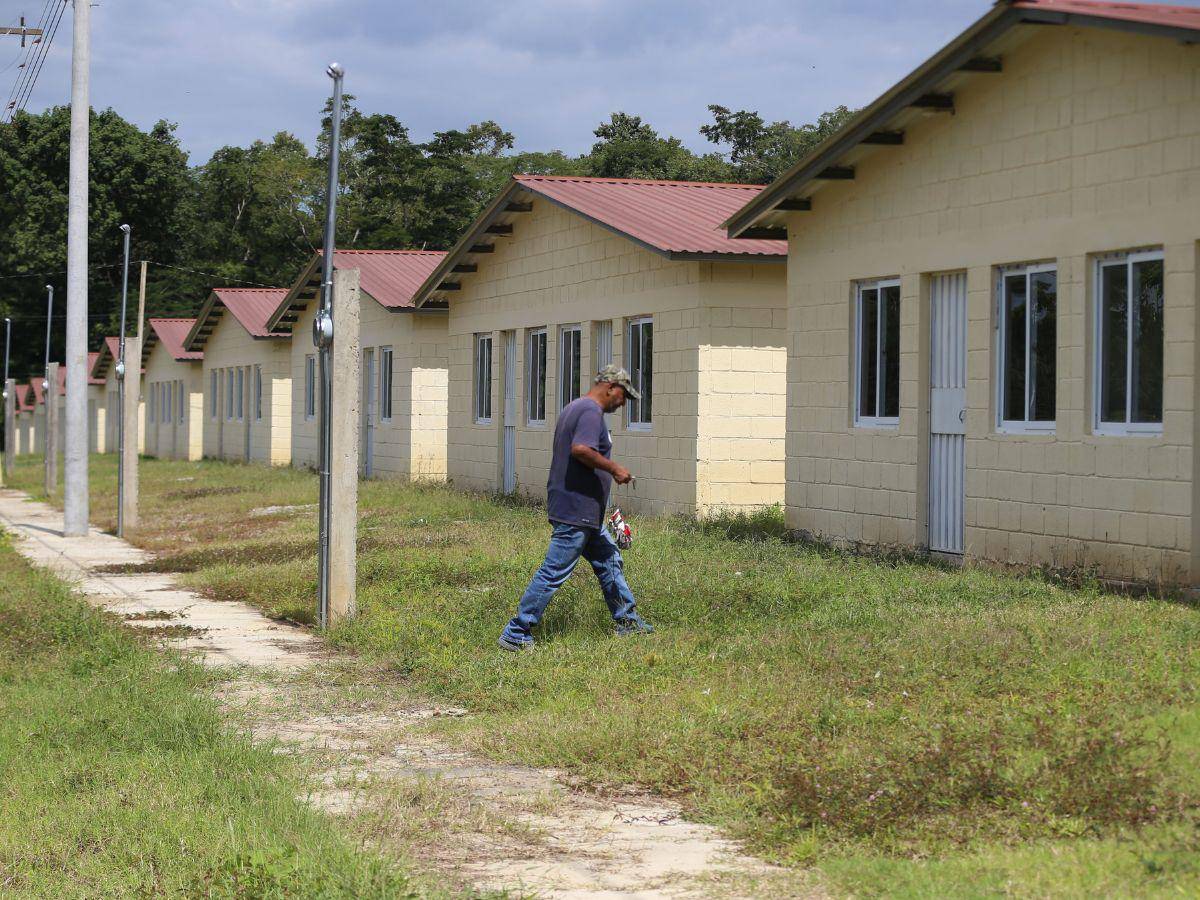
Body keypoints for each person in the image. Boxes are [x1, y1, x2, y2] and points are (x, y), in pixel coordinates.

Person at [498, 365, 655, 651]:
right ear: (610, 387)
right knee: (554, 571)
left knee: (609, 561)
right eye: (622, 396)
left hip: (583, 510)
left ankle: (628, 623)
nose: (622, 403)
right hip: (576, 509)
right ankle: (516, 631)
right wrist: (615, 468)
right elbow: (581, 450)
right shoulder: (590, 413)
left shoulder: (574, 407)